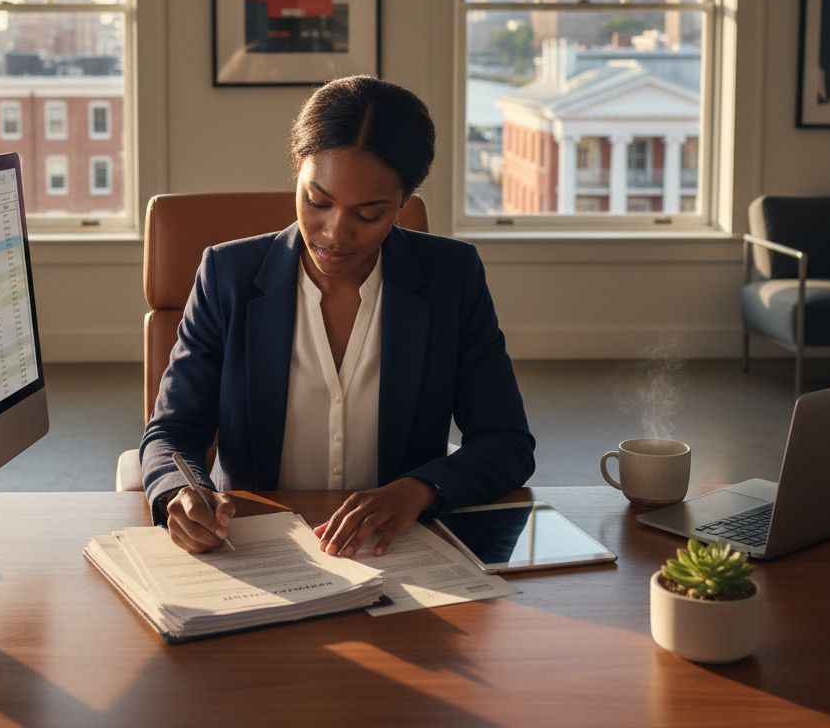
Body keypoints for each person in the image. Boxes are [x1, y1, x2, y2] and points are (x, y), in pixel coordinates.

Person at [140, 76, 534, 558]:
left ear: (403, 202)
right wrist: (179, 495)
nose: (334, 234)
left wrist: (417, 490)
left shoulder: (452, 278)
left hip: (393, 550)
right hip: (254, 548)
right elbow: (173, 432)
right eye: (317, 201)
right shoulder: (228, 275)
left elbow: (506, 442)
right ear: (297, 172)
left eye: (368, 214)